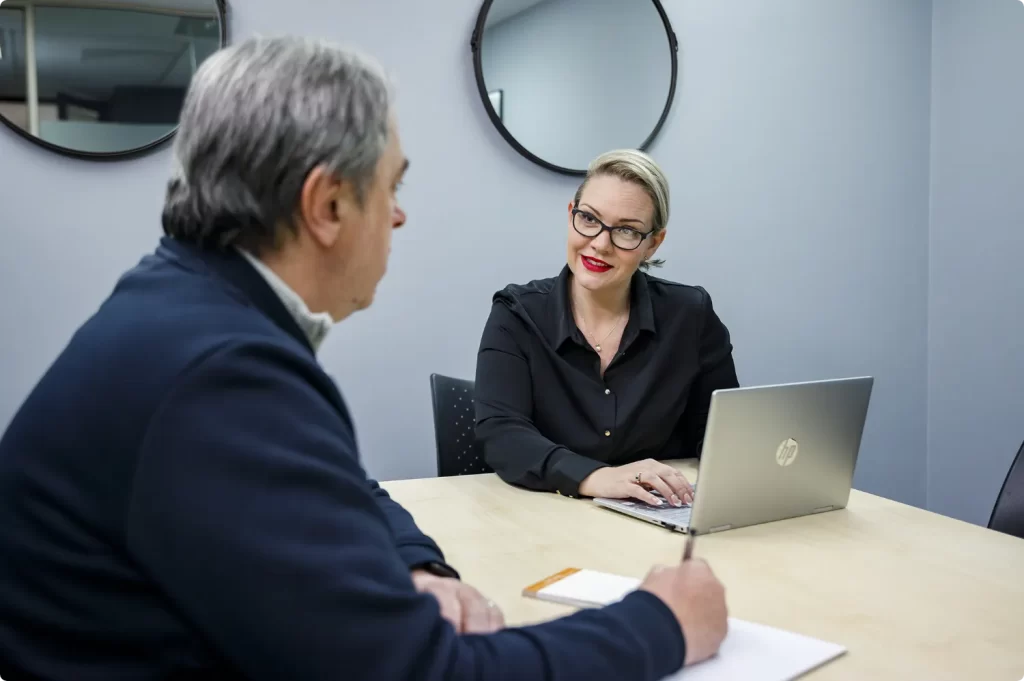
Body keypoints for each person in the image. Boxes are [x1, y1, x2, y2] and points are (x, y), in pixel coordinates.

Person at [0, 37, 728, 681]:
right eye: (393, 186)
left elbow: (346, 486)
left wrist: (416, 564)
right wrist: (659, 624)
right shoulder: (220, 374)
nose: (401, 214)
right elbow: (417, 668)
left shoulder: (187, 310)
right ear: (326, 205)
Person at [475, 150, 740, 508]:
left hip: (655, 516)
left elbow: (720, 436)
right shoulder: (516, 313)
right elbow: (501, 432)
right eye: (589, 219)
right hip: (545, 516)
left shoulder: (690, 316)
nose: (600, 243)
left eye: (627, 230)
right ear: (571, 215)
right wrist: (597, 477)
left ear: (653, 244)